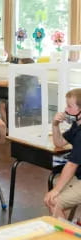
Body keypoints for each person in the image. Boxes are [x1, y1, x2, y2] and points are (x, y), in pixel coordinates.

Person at [44, 88, 81, 219]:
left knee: (53, 200)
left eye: (70, 107)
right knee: (52, 197)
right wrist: (55, 125)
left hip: (78, 174)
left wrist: (56, 190)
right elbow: (59, 143)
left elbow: (71, 165)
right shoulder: (77, 125)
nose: (66, 110)